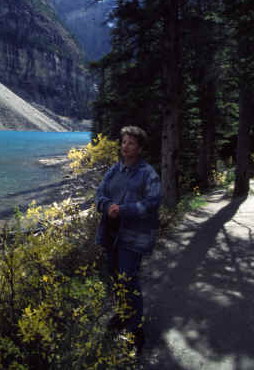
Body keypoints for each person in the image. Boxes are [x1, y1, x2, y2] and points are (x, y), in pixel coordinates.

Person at [95, 126, 162, 354]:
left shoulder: (148, 174)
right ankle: (123, 314)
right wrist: (107, 206)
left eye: (131, 143)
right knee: (115, 277)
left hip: (133, 238)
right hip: (111, 233)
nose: (125, 146)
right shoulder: (115, 170)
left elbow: (152, 203)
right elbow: (99, 194)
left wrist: (123, 210)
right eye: (124, 142)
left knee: (128, 280)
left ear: (140, 148)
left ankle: (136, 330)